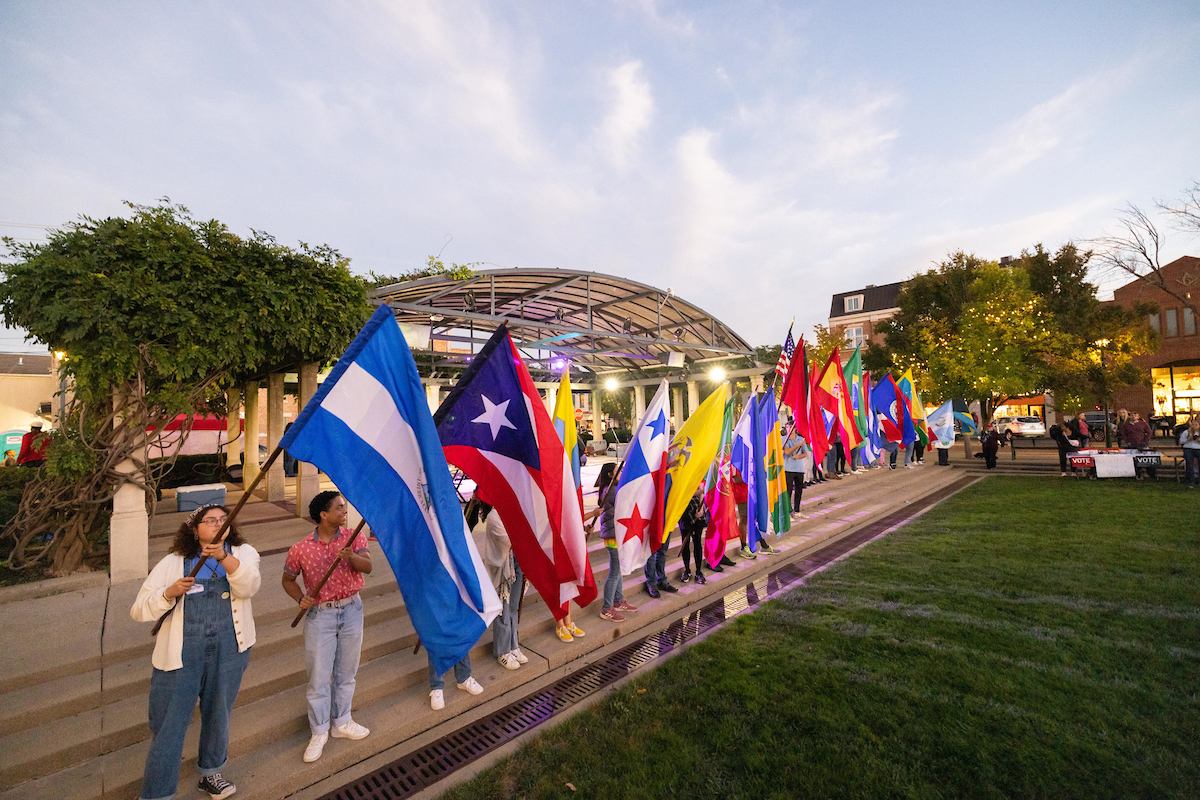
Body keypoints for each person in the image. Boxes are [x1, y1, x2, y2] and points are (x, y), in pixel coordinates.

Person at [131, 504, 261, 800]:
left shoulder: (243, 553)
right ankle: (157, 794)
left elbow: (249, 586)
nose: (217, 524)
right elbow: (139, 610)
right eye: (209, 520)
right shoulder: (173, 562)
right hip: (181, 654)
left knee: (219, 714)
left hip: (230, 647)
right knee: (169, 725)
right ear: (194, 528)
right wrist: (168, 593)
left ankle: (210, 773)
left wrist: (224, 558)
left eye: (222, 520)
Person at [282, 491, 372, 763]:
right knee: (319, 676)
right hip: (320, 615)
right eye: (339, 508)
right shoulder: (300, 548)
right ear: (323, 514)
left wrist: (350, 557)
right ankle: (319, 730)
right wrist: (301, 598)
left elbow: (367, 566)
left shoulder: (354, 537)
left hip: (352, 609)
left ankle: (342, 722)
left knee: (347, 671)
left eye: (344, 507)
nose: (344, 511)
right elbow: (287, 580)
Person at [479, 500, 528, 668]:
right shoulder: (494, 516)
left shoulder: (511, 512)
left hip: (517, 563)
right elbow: (511, 540)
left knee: (514, 608)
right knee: (503, 610)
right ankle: (502, 651)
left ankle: (513, 645)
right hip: (503, 571)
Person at [590, 463, 638, 621]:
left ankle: (618, 600)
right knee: (614, 572)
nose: (621, 473)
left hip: (617, 534)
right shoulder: (611, 491)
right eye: (618, 471)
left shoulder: (612, 489)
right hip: (613, 536)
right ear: (610, 475)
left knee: (618, 570)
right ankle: (606, 609)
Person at [678, 486, 709, 585]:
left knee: (697, 542)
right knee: (685, 542)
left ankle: (699, 572)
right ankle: (687, 570)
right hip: (684, 509)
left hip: (696, 509)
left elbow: (702, 491)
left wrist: (701, 508)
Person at [782, 425, 808, 516]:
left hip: (799, 468)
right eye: (787, 428)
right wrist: (797, 445)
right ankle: (787, 512)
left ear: (795, 429)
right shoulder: (784, 439)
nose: (789, 429)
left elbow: (805, 453)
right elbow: (787, 451)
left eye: (791, 427)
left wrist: (798, 456)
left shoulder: (800, 439)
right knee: (788, 491)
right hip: (788, 469)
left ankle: (796, 510)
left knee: (799, 490)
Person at [1180, 418, 1200, 489]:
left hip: (1198, 448)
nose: (1194, 426)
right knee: (1189, 464)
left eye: (1196, 425)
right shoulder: (1186, 432)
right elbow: (1181, 441)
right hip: (1188, 448)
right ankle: (1191, 481)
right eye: (1193, 424)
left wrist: (1198, 440)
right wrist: (1188, 439)